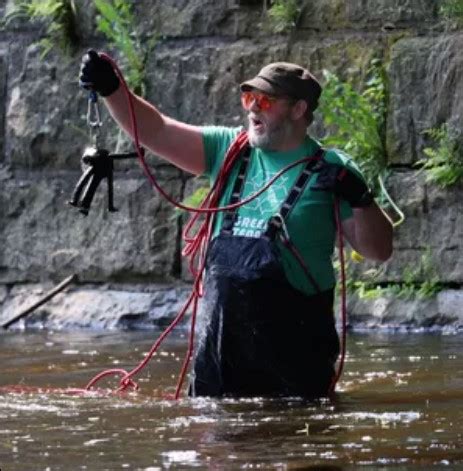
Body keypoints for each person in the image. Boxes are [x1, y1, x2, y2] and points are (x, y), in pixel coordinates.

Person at [79, 51, 393, 398]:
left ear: (299, 109)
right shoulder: (227, 150)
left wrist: (361, 199)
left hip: (296, 363)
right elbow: (157, 130)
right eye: (249, 98)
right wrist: (112, 90)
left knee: (299, 447)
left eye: (265, 100)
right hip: (219, 364)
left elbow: (377, 251)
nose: (252, 108)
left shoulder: (333, 170)